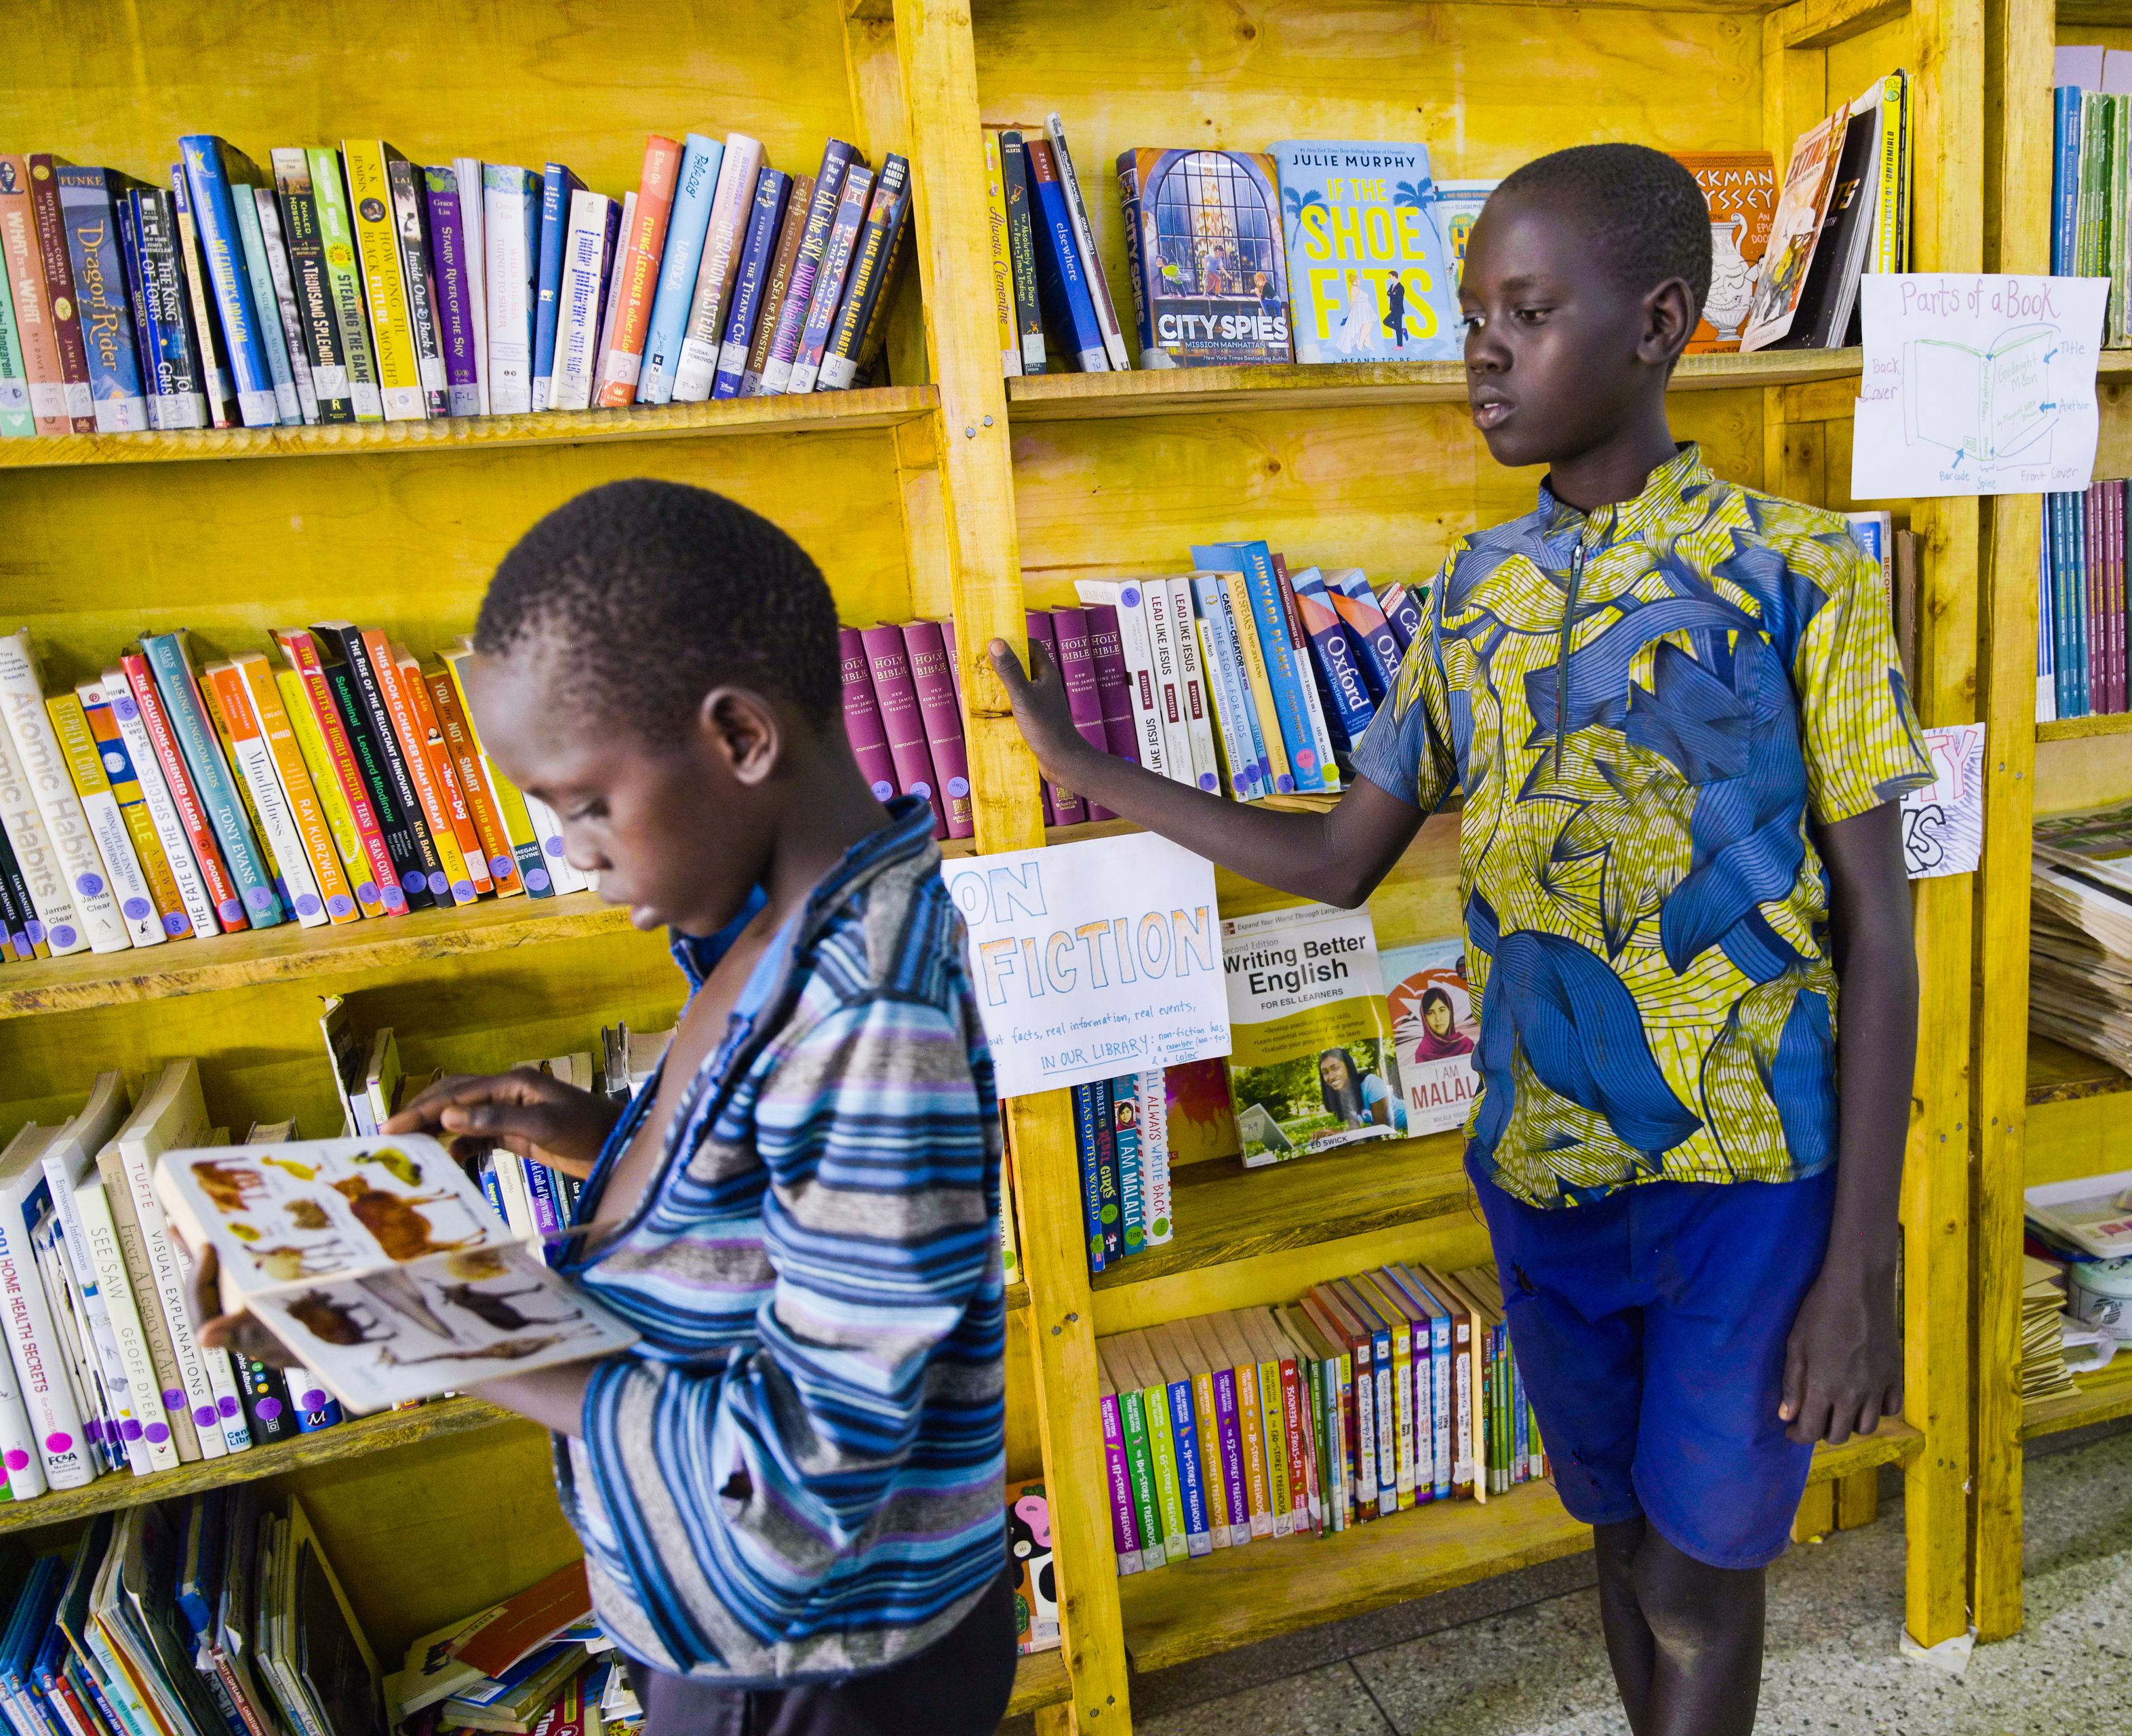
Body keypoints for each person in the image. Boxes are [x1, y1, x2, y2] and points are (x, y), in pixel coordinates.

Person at [989, 142, 1924, 1736]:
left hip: (1749, 1181)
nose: (1478, 349)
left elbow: (1881, 938)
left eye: (1525, 309)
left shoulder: (1804, 571)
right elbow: (1341, 857)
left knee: (1705, 1577)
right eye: (1469, 312)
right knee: (1621, 1542)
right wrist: (1095, 772)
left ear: (1655, 323)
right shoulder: (1468, 595)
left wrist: (1863, 1252)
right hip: (1541, 1170)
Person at [197, 481, 1014, 1736]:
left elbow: (798, 1478)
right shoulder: (780, 929)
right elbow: (778, 1195)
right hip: (757, 1642)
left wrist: (426, 1326)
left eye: (586, 804)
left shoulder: (868, 1013)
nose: (575, 853)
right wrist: (603, 1136)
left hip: (808, 1667)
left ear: (740, 737)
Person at [1414, 985, 1475, 1061]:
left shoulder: (1466, 1045)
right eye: (1430, 1013)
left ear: (1450, 1011)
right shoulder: (1422, 1053)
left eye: (1442, 1010)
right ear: (1424, 1018)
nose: (1438, 1018)